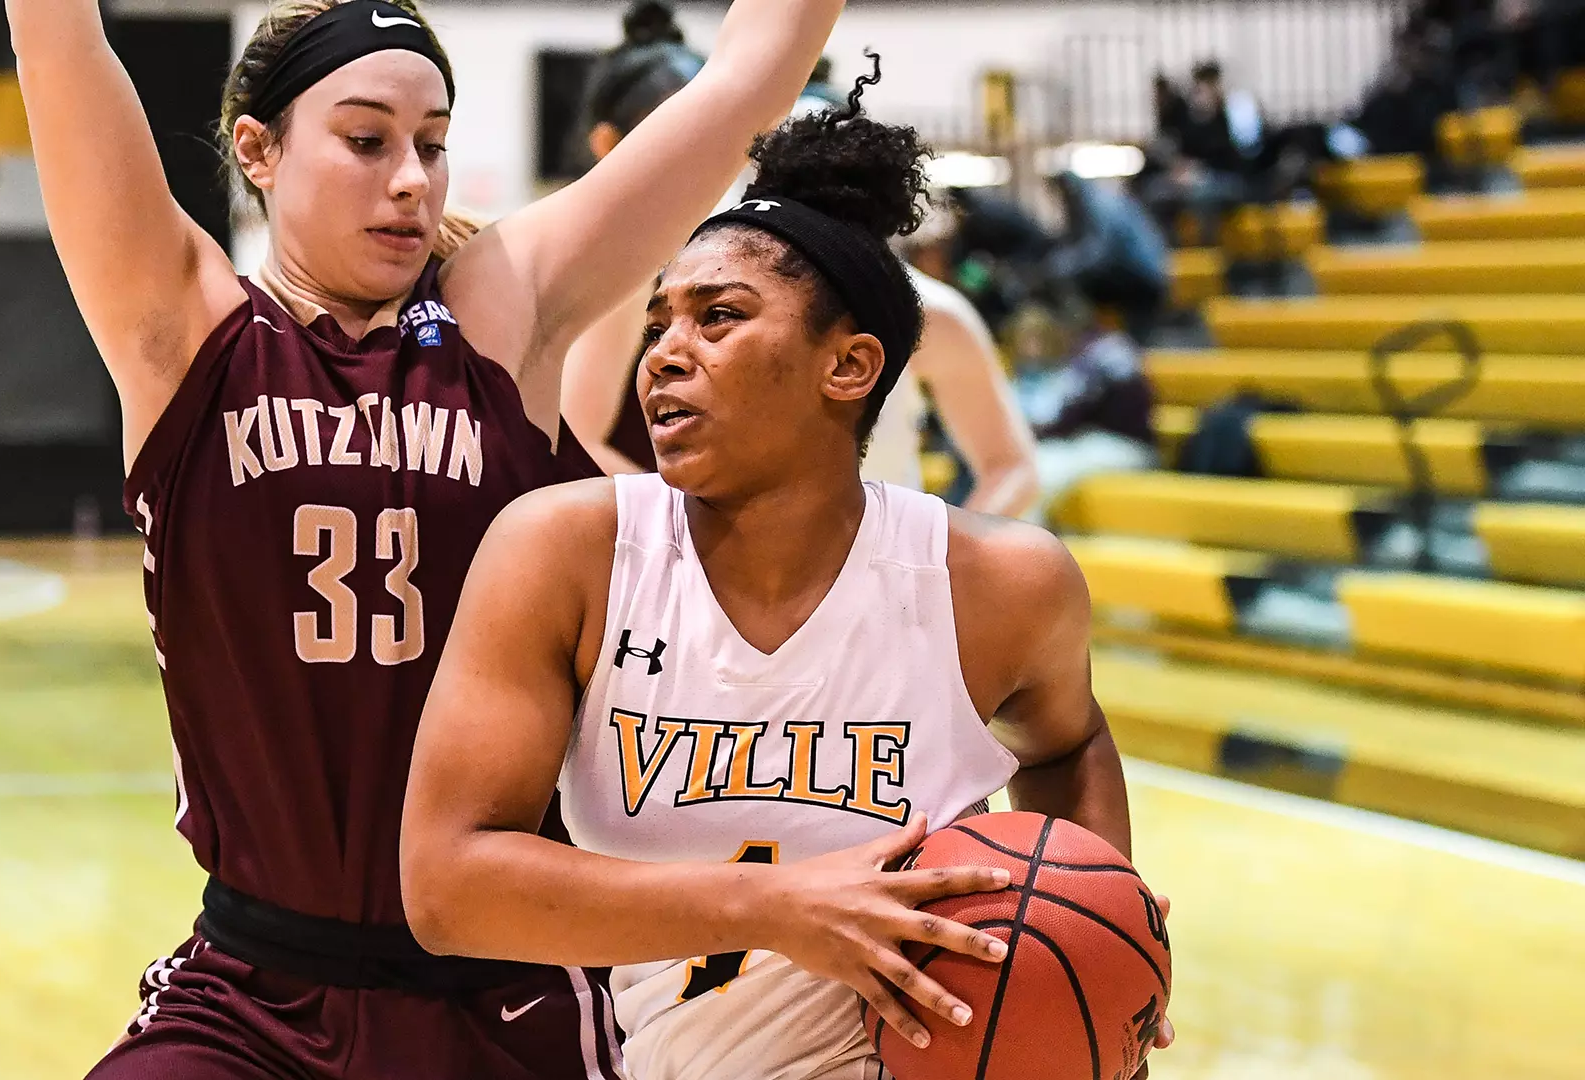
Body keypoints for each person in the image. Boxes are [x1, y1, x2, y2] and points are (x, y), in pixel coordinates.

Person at [4, 0, 845, 1075]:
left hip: (503, 990)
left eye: (432, 144)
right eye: (366, 141)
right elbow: (60, 42)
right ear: (258, 150)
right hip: (255, 990)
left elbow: (741, 83)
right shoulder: (185, 329)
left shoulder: (501, 313)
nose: (411, 177)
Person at [402, 104, 1171, 1080]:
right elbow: (445, 883)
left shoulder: (1002, 587)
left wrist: (1103, 934)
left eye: (717, 317)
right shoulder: (563, 550)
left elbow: (1066, 744)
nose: (665, 355)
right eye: (659, 323)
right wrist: (777, 909)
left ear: (848, 365)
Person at [562, 50, 1038, 514]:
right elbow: (577, 433)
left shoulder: (928, 313)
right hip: (727, 565)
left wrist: (941, 563)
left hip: (874, 573)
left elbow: (1010, 468)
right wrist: (677, 536)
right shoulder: (681, 284)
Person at [1007, 301, 1159, 522]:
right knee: (1031, 466)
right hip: (1089, 441)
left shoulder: (1111, 349)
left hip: (1126, 444)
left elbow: (1083, 412)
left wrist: (1041, 432)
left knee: (1042, 471)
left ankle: (1027, 550)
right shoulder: (1076, 356)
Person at [1045, 170, 1172, 345]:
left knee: (1076, 280)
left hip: (1145, 277)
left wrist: (1061, 266)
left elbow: (1100, 252)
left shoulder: (1101, 205)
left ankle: (1087, 337)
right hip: (1136, 273)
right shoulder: (1091, 203)